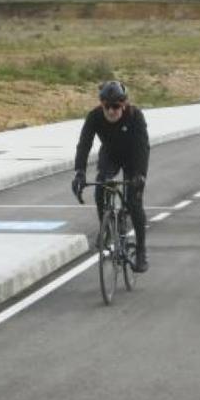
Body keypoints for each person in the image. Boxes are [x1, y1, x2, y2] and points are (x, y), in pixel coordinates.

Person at [71, 80, 150, 273]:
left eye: (116, 106)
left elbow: (143, 147)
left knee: (134, 202)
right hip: (110, 155)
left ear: (123, 105)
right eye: (107, 106)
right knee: (101, 186)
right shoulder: (95, 117)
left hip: (133, 158)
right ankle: (106, 229)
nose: (111, 111)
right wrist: (79, 172)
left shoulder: (135, 116)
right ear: (101, 105)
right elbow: (84, 144)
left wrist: (140, 175)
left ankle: (140, 251)